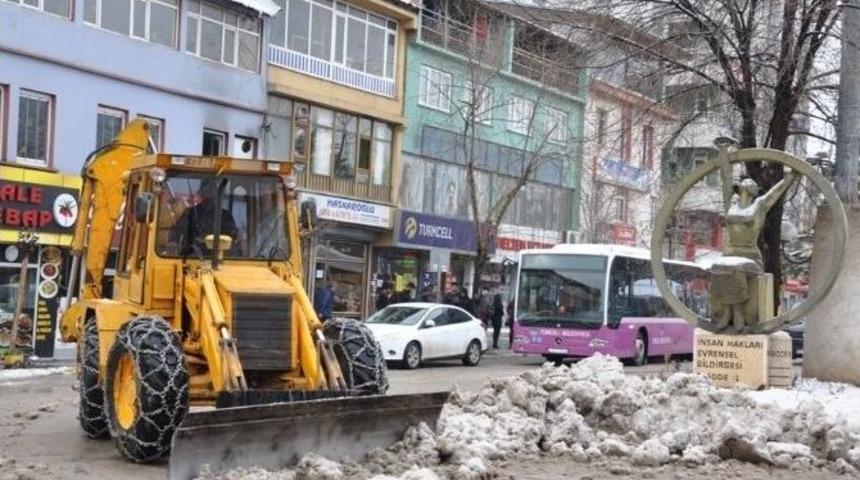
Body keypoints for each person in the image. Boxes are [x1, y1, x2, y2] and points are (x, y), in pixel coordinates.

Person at [171, 178, 239, 256]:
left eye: (211, 198)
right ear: (201, 195)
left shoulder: (225, 216)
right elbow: (176, 232)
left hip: (220, 257)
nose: (209, 201)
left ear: (217, 197)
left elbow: (233, 237)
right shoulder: (190, 213)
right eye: (207, 198)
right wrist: (173, 243)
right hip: (192, 256)